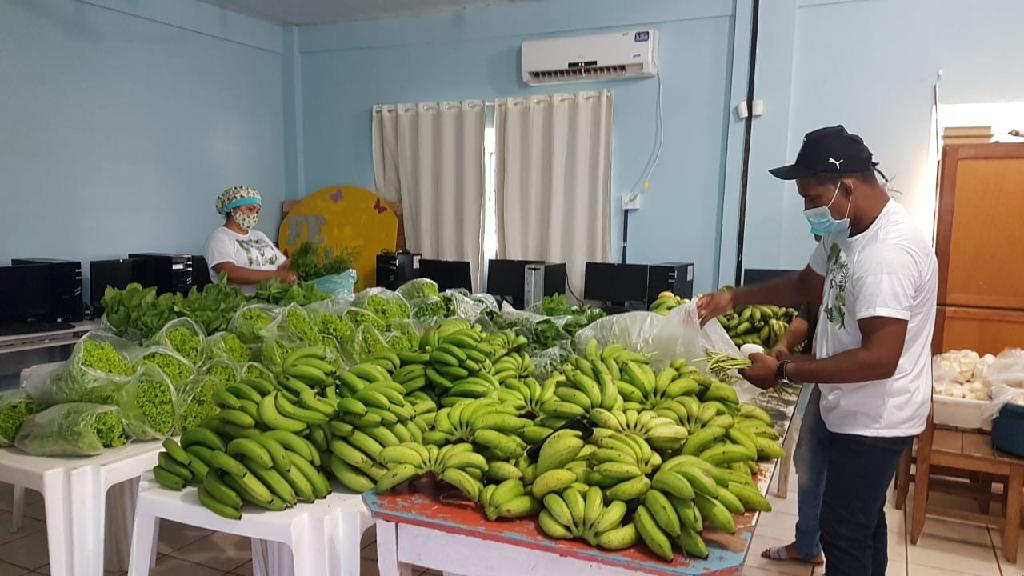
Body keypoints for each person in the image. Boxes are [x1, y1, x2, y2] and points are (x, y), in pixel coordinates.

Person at [698, 125, 937, 576]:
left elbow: (879, 359)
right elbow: (805, 286)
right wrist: (735, 297)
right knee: (863, 523)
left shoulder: (887, 254)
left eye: (812, 197)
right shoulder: (845, 231)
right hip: (846, 404)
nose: (808, 210)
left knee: (843, 532)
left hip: (877, 419)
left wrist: (783, 371)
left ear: (846, 186)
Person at [761, 301, 829, 566]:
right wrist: (784, 343)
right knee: (809, 458)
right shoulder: (831, 276)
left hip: (859, 396)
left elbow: (856, 355)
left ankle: (816, 545)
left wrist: (784, 369)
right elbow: (809, 313)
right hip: (827, 387)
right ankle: (808, 544)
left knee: (857, 506)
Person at [206, 185, 297, 295]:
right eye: (250, 209)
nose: (254, 215)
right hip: (240, 301)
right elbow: (229, 273)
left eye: (257, 211)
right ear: (232, 209)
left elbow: (281, 265)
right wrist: (276, 275)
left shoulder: (259, 235)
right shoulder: (221, 237)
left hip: (269, 297)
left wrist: (295, 263)